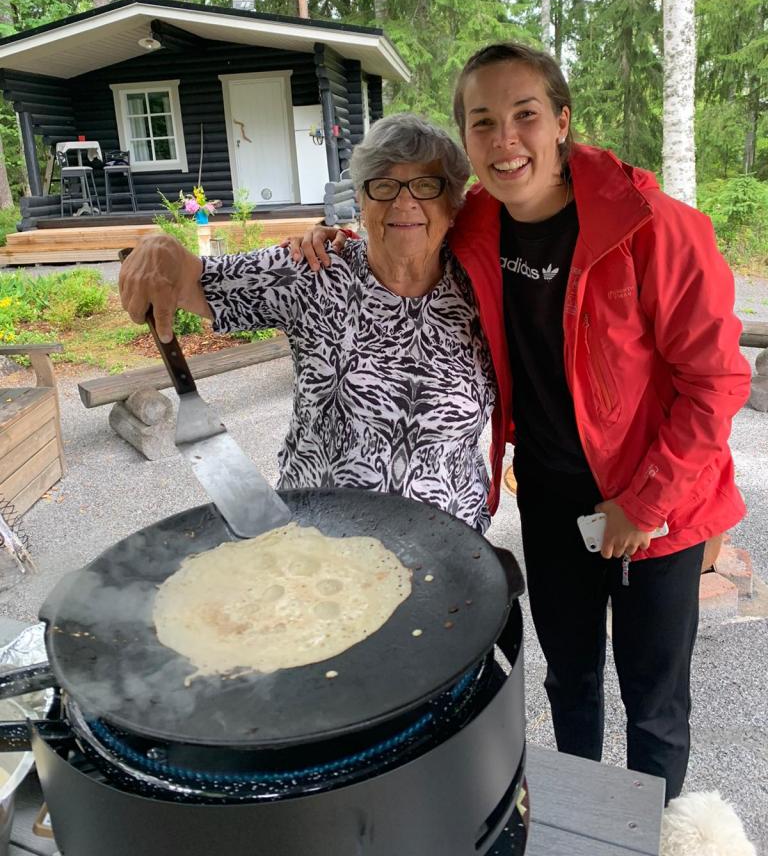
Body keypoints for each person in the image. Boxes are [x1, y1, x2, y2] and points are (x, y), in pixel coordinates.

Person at [291, 42, 752, 800]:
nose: (505, 139)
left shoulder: (655, 229)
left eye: (525, 115)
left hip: (658, 505)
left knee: (655, 701)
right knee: (569, 681)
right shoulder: (477, 224)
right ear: (467, 141)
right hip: (548, 496)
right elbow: (404, 221)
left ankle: (651, 835)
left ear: (562, 122)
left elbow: (717, 381)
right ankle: (580, 824)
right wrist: (333, 235)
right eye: (483, 122)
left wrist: (645, 503)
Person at [119, 114, 496, 532]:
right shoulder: (312, 271)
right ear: (361, 199)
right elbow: (191, 279)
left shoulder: (487, 290)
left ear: (453, 204)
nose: (404, 202)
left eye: (426, 186)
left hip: (449, 546)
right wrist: (158, 246)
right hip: (321, 541)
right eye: (384, 185)